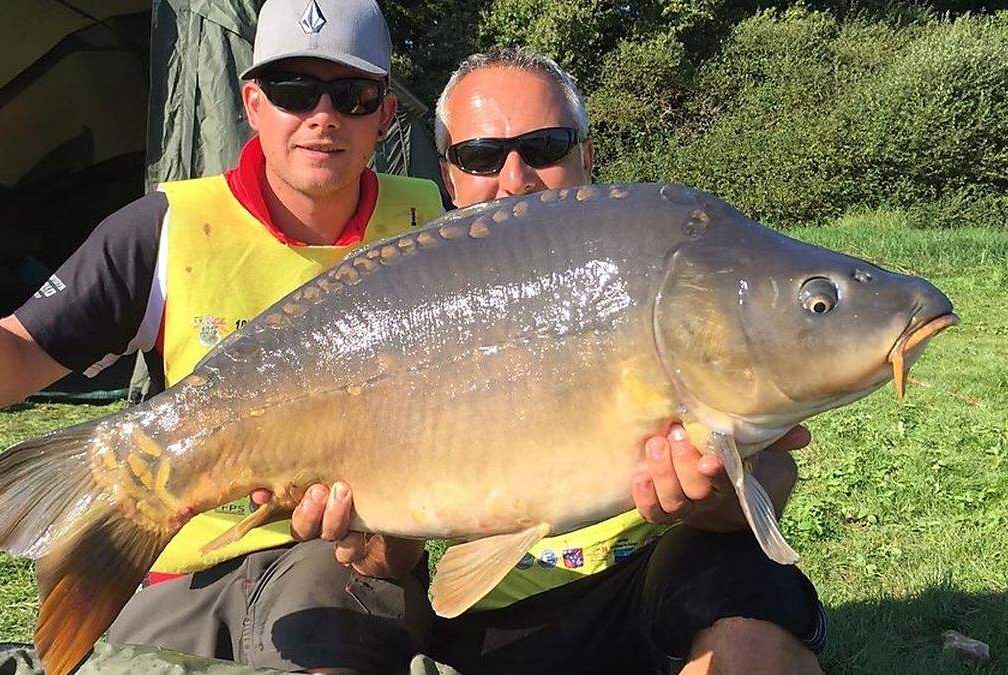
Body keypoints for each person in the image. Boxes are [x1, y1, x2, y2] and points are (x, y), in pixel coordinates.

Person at [0, 0, 445, 671]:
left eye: (352, 94)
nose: (322, 116)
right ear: (252, 102)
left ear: (387, 115)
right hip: (183, 557)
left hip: (342, 556)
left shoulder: (437, 231)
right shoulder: (166, 228)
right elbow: (0, 368)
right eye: (293, 90)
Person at [299, 49, 828, 674]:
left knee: (743, 592)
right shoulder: (412, 308)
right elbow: (397, 560)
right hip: (495, 618)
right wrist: (373, 543)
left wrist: (709, 501)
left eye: (546, 147)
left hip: (658, 578)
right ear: (448, 174)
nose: (516, 177)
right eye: (481, 157)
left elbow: (770, 476)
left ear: (587, 154)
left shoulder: (655, 259)